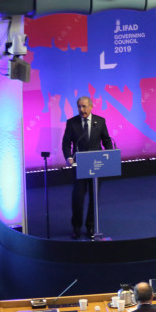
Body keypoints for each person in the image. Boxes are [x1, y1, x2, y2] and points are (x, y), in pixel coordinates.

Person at [61, 95, 113, 239]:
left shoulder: (100, 121)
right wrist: (68, 157)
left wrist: (109, 155)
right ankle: (76, 227)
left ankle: (90, 226)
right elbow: (66, 144)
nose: (81, 109)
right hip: (79, 165)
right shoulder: (72, 123)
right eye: (79, 106)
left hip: (97, 165)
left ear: (91, 106)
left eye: (84, 106)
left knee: (94, 197)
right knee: (78, 197)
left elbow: (106, 140)